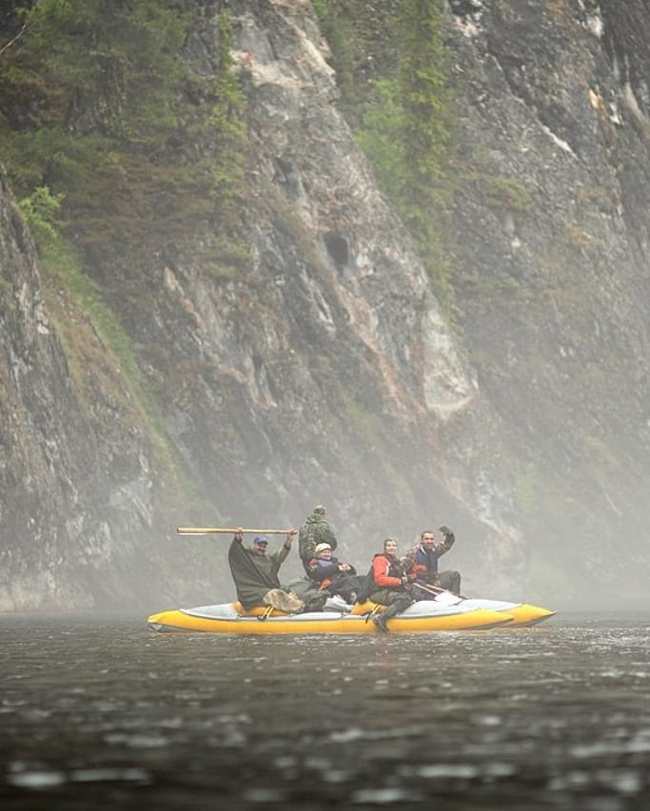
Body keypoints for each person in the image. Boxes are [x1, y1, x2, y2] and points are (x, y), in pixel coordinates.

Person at [228, 528, 304, 613]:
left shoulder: (268, 559)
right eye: (259, 545)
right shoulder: (247, 557)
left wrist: (288, 541)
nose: (262, 548)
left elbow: (280, 556)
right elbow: (236, 552)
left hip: (266, 589)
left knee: (288, 592)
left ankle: (301, 607)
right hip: (253, 593)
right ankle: (297, 610)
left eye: (264, 546)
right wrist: (237, 539)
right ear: (254, 545)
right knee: (275, 594)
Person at [368, 537, 416, 633]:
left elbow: (405, 574)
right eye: (389, 545)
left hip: (389, 591)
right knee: (404, 598)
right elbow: (379, 580)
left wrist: (410, 578)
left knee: (413, 593)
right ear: (385, 548)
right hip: (377, 592)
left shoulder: (395, 561)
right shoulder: (380, 560)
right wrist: (399, 581)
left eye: (394, 546)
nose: (392, 548)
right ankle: (381, 618)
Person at [403, 526, 461, 596]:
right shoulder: (413, 553)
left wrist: (449, 535)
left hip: (434, 582)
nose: (429, 541)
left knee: (454, 575)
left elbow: (447, 545)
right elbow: (402, 570)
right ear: (422, 541)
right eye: (426, 539)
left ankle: (455, 597)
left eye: (431, 539)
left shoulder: (434, 550)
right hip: (420, 585)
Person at [298, 505, 338, 574]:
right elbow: (332, 543)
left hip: (306, 562)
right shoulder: (322, 525)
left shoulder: (303, 526)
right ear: (323, 514)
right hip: (319, 560)